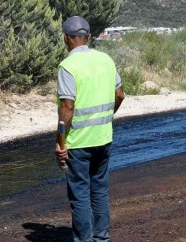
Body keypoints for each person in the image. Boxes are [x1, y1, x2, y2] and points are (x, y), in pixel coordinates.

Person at [54, 16, 125, 241]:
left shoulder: (68, 66)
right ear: (89, 37)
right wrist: (106, 116)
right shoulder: (106, 60)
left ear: (66, 37)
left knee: (80, 196)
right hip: (104, 138)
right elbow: (120, 94)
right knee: (100, 192)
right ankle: (101, 238)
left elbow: (67, 106)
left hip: (78, 142)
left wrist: (60, 142)